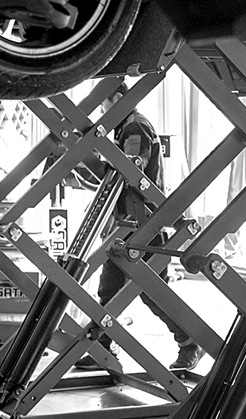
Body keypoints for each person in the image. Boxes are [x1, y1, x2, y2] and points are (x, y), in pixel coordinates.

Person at [74, 80, 205, 372]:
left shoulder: (135, 127)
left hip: (143, 224)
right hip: (127, 224)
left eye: (105, 103)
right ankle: (103, 347)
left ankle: (190, 342)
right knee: (109, 289)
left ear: (119, 97)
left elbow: (131, 169)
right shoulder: (126, 127)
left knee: (152, 292)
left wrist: (91, 156)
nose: (103, 110)